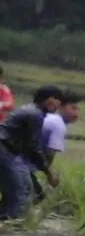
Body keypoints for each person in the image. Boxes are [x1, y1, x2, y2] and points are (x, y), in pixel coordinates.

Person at [0, 85, 64, 220]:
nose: (59, 105)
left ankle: (8, 221)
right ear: (50, 100)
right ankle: (11, 224)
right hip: (4, 149)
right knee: (20, 193)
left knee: (24, 190)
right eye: (58, 100)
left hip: (8, 151)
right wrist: (49, 172)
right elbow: (32, 147)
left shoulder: (31, 111)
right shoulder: (35, 115)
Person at [32, 90, 81, 203]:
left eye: (78, 109)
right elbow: (50, 153)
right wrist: (50, 175)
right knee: (34, 195)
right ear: (60, 107)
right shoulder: (58, 124)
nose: (76, 113)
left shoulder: (49, 117)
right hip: (14, 160)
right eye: (73, 108)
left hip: (14, 158)